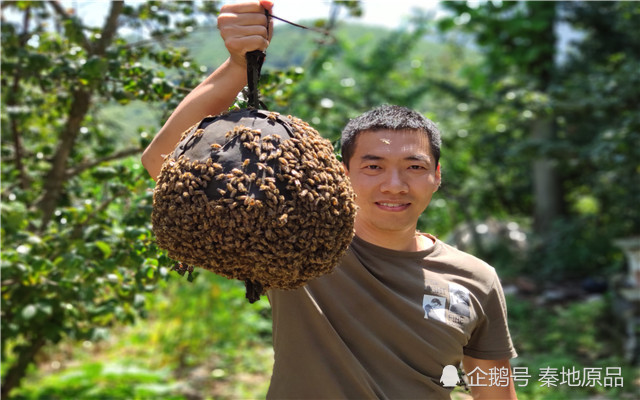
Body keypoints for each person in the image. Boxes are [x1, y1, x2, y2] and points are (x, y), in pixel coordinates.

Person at [142, 1, 519, 399]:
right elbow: (163, 163)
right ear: (340, 174)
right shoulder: (300, 243)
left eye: (413, 167)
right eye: (373, 167)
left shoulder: (475, 279)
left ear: (436, 176)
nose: (394, 185)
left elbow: (494, 390)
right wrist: (238, 66)